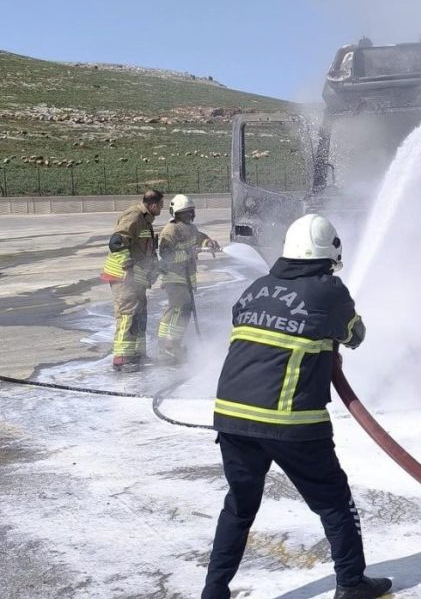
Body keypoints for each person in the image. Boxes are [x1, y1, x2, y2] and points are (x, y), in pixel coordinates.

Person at [202, 213, 392, 599]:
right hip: (290, 419)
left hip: (232, 416)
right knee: (335, 502)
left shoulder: (255, 288)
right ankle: (352, 583)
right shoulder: (329, 290)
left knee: (239, 508)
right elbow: (355, 335)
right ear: (327, 254)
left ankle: (214, 591)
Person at [100, 189, 163, 372]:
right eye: (160, 205)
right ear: (152, 204)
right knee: (127, 314)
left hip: (136, 278)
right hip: (124, 276)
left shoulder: (145, 221)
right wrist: (127, 267)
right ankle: (121, 358)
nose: (161, 209)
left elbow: (144, 249)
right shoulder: (134, 216)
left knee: (139, 314)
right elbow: (117, 242)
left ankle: (136, 353)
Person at [156, 194, 220, 362]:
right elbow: (165, 254)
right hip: (173, 276)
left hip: (186, 278)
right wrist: (187, 254)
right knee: (182, 308)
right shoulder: (171, 230)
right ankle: (171, 344)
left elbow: (200, 238)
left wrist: (209, 243)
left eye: (191, 212)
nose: (190, 216)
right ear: (176, 214)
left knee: (174, 309)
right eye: (186, 213)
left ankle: (164, 343)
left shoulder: (190, 228)